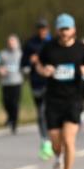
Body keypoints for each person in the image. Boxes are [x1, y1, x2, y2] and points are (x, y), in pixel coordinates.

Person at [36, 13, 84, 169]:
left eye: (67, 29)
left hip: (73, 100)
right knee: (56, 142)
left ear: (74, 30)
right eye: (61, 29)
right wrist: (43, 70)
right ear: (57, 30)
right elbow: (38, 64)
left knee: (69, 140)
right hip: (53, 100)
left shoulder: (81, 49)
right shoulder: (49, 48)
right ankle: (58, 157)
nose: (64, 32)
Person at [21, 18, 54, 159]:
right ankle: (45, 138)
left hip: (51, 82)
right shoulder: (30, 43)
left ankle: (49, 140)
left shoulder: (53, 43)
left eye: (45, 28)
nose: (43, 31)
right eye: (40, 28)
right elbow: (22, 64)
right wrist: (30, 61)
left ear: (48, 29)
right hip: (36, 82)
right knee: (40, 113)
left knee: (46, 111)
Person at [0, 33, 23, 133]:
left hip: (17, 82)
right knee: (6, 103)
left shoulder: (21, 54)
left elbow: (25, 67)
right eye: (9, 42)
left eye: (13, 42)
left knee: (15, 104)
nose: (11, 44)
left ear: (17, 43)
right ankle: (10, 117)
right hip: (5, 82)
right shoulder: (3, 54)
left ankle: (14, 123)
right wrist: (0, 69)